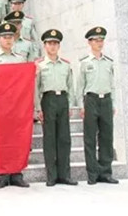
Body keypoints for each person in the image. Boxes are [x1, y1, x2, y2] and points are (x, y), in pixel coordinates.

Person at [0, 22, 31, 189]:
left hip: (17, 105)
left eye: (11, 37)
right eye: (4, 37)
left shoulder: (20, 59)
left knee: (17, 139)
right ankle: (2, 173)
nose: (8, 40)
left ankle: (17, 173)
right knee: (0, 139)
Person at [35, 29, 77, 187]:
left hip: (62, 100)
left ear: (59, 46)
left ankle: (65, 175)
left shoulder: (66, 65)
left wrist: (71, 104)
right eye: (49, 43)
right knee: (50, 139)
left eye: (55, 43)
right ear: (44, 45)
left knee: (64, 139)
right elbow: (36, 88)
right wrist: (38, 108)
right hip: (48, 100)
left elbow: (70, 86)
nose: (52, 46)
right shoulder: (39, 65)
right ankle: (51, 175)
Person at [79, 26, 118, 185]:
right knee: (90, 138)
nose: (99, 43)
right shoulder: (85, 63)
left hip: (106, 100)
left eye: (101, 40)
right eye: (96, 40)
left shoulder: (108, 62)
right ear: (89, 42)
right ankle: (92, 173)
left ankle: (105, 172)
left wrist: (113, 103)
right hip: (91, 100)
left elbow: (112, 85)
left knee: (107, 137)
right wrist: (81, 105)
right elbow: (80, 86)